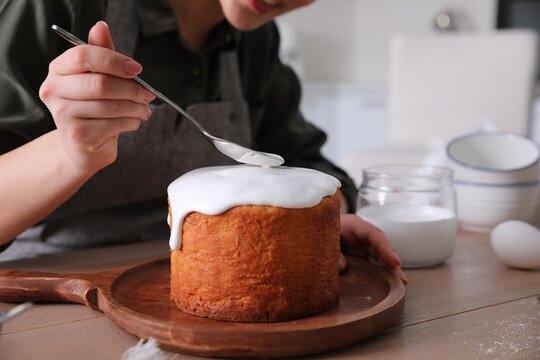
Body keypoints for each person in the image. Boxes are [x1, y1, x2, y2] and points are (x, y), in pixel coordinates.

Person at [0, 0, 407, 284]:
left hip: (198, 299)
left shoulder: (254, 41)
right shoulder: (60, 6)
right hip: (53, 296)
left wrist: (326, 218)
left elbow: (303, 162)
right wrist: (72, 154)